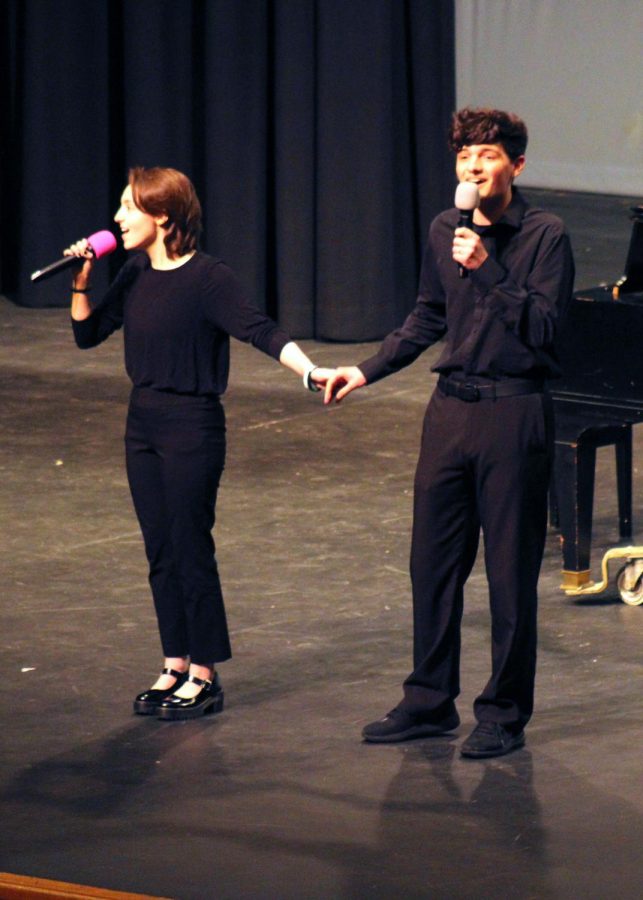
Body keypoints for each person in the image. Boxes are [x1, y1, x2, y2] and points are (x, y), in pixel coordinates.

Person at [324, 107, 575, 758]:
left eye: (486, 155)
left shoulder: (545, 235)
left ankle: (501, 714)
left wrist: (488, 268)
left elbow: (546, 329)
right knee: (431, 566)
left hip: (513, 413)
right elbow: (425, 316)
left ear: (514, 166)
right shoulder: (444, 229)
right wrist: (366, 369)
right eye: (464, 154)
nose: (472, 165)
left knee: (508, 575)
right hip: (449, 410)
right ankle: (427, 700)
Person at [66, 166, 332, 721]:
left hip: (192, 425)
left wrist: (309, 373)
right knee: (159, 549)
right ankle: (174, 662)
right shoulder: (135, 271)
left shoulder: (209, 279)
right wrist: (82, 281)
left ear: (161, 216)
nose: (116, 218)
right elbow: (88, 333)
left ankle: (205, 672)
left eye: (127, 207)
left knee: (190, 545)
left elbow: (261, 330)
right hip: (143, 422)